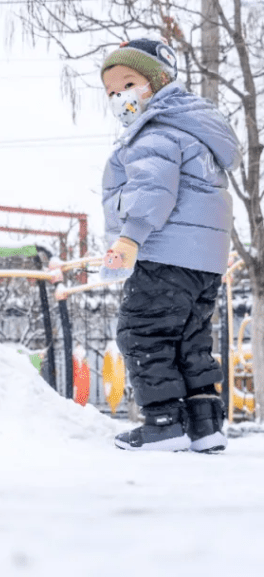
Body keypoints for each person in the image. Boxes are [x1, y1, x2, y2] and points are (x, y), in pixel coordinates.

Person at [99, 38, 239, 452]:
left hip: (164, 251)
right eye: (110, 92)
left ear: (159, 82)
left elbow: (152, 190)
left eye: (128, 83)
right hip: (204, 261)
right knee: (190, 338)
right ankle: (204, 425)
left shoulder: (155, 133)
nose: (119, 97)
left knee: (144, 333)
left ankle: (163, 423)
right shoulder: (196, 132)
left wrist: (129, 238)